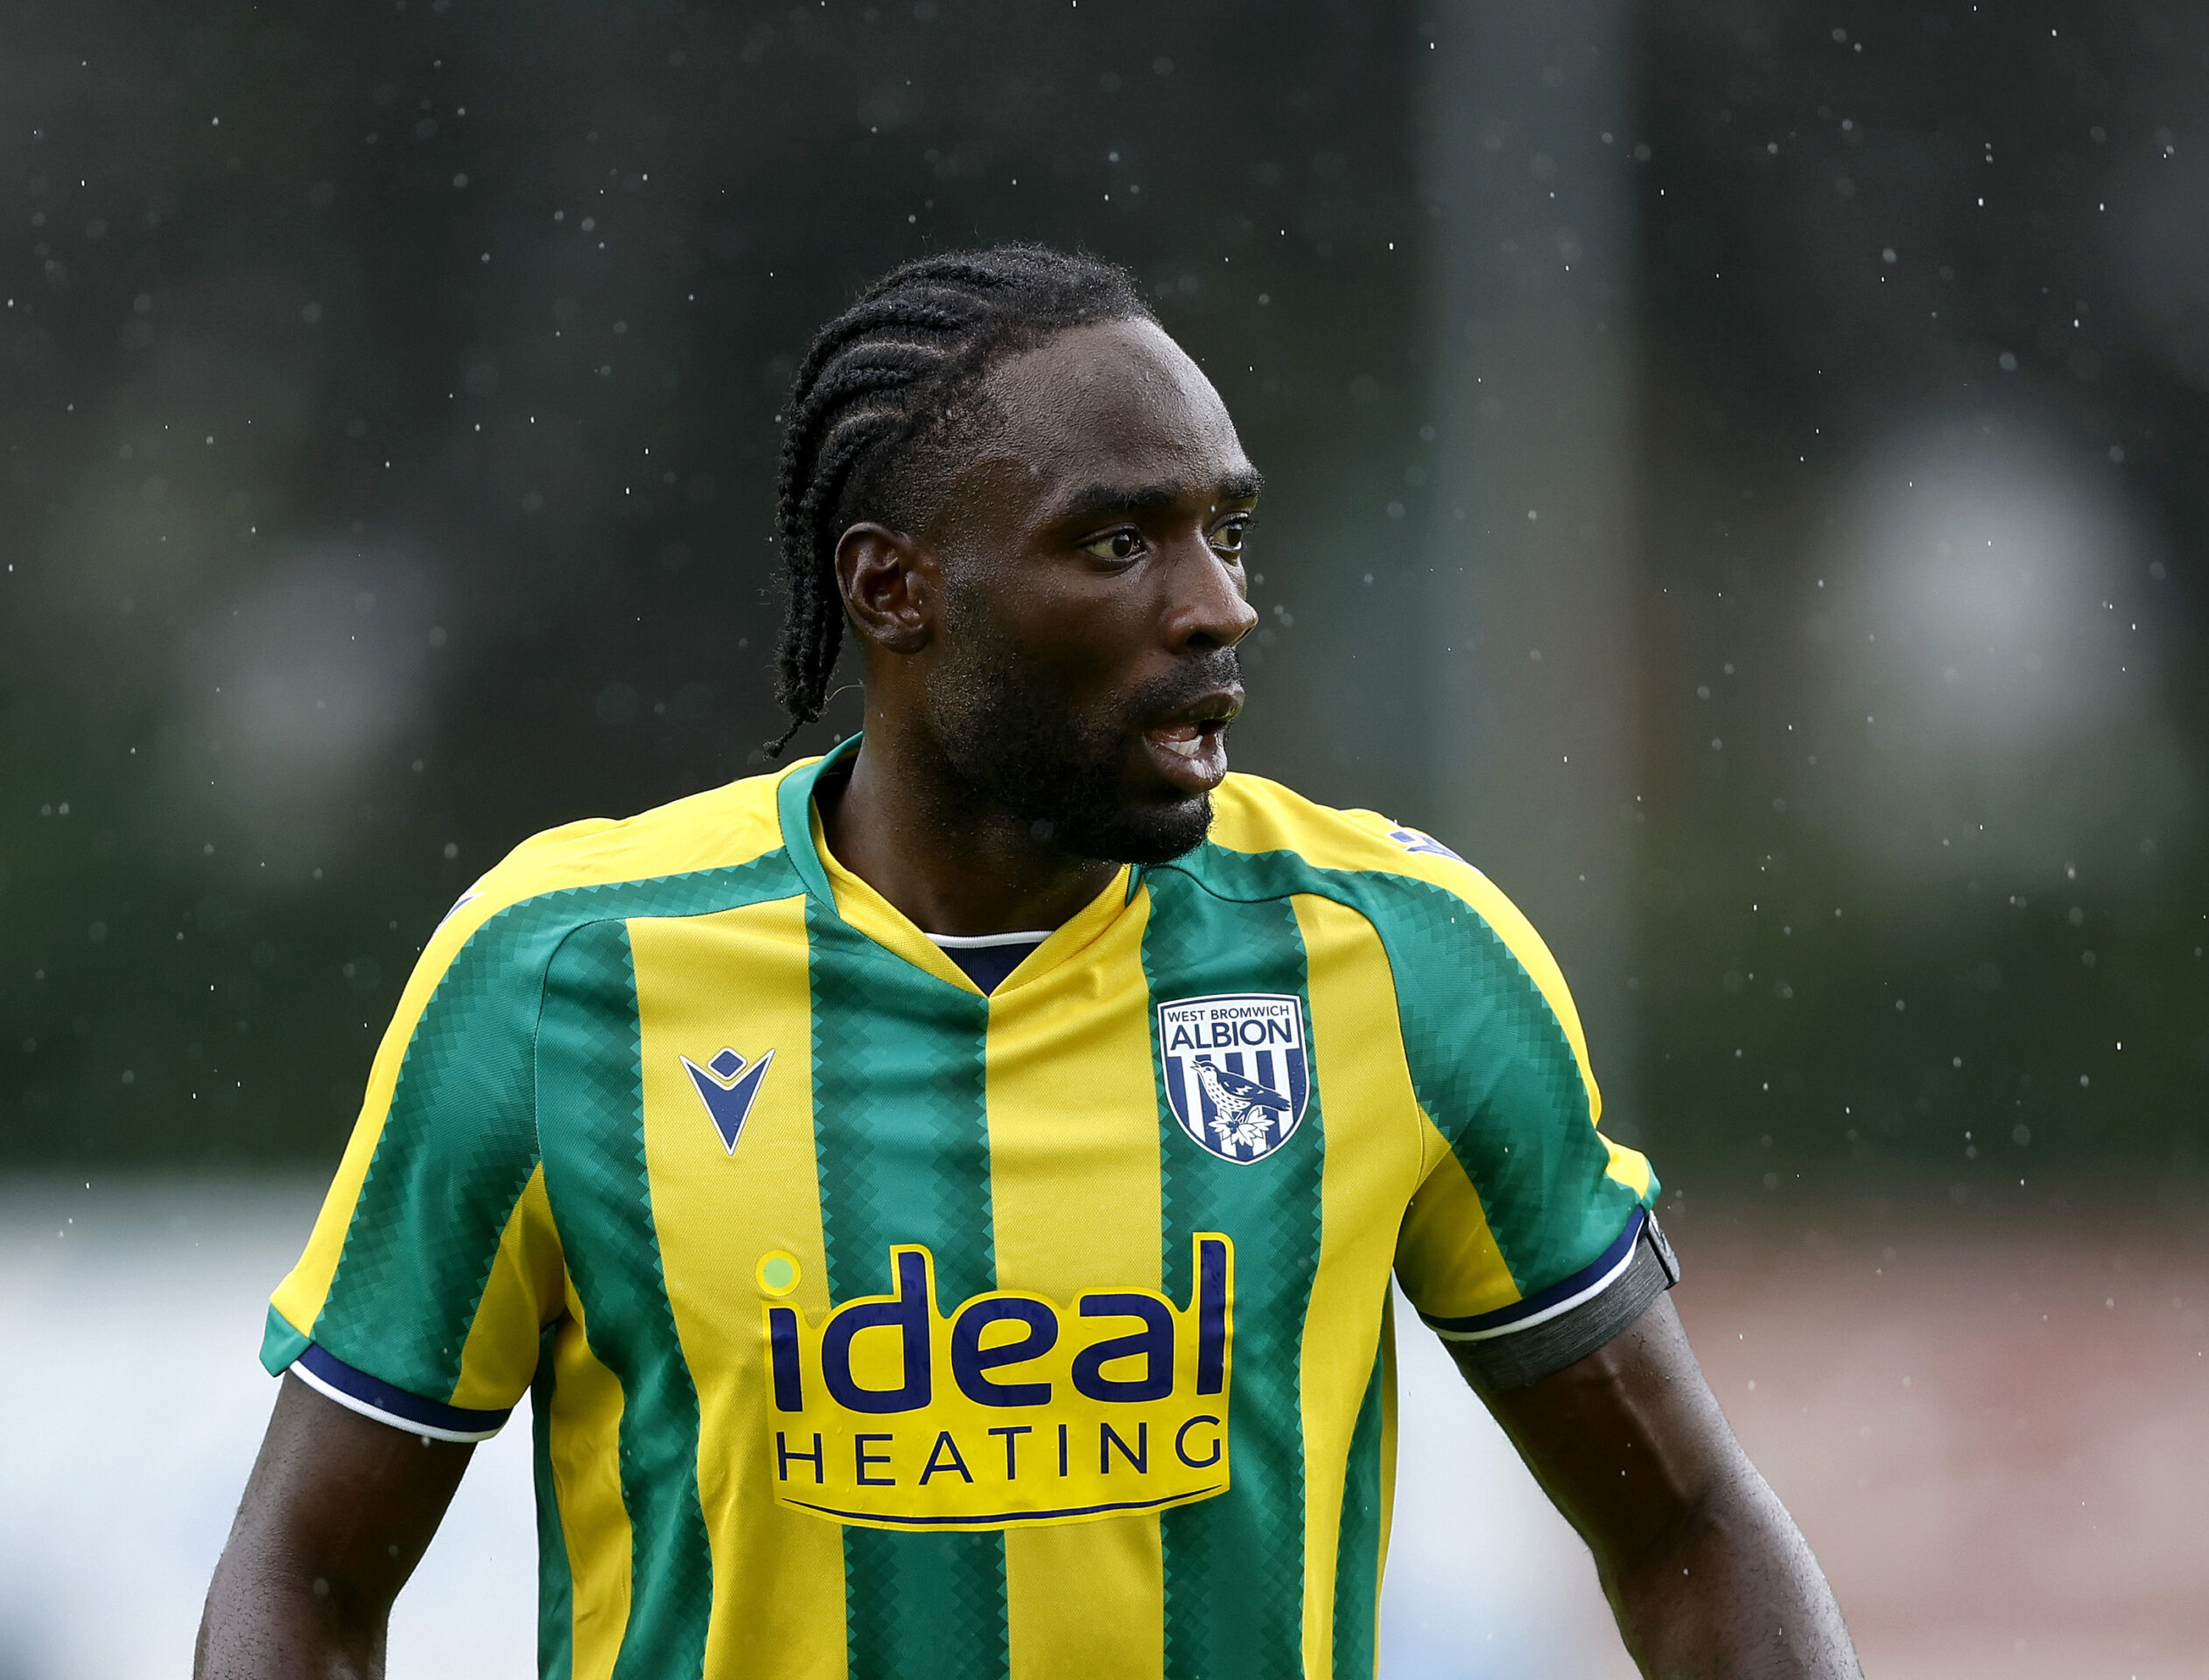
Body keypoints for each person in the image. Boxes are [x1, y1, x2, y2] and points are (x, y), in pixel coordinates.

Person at [197, 244, 1861, 1680]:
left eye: (1227, 531)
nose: (1218, 606)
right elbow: (310, 1577)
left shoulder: (1398, 961)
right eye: (1120, 543)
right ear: (893, 589)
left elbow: (1688, 1527)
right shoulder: (561, 978)